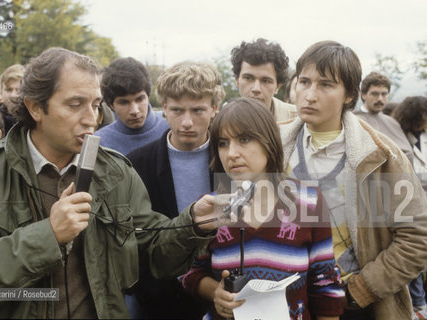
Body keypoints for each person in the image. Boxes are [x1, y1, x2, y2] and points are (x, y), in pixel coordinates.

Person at [0, 47, 224, 319]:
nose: (91, 119)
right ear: (35, 107)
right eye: (75, 105)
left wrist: (193, 224)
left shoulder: (114, 171)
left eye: (96, 105)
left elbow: (154, 253)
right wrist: (47, 236)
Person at [280, 40, 427, 320]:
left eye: (325, 85)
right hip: (284, 302)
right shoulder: (273, 144)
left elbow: (417, 237)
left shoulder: (381, 157)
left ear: (349, 95)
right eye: (304, 81)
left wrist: (360, 290)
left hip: (352, 306)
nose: (309, 95)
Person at [182, 97, 344, 320]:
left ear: (269, 142)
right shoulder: (210, 207)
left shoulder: (309, 202)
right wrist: (216, 293)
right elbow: (189, 272)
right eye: (223, 143)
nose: (231, 153)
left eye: (244, 139)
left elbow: (326, 286)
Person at [127, 61, 225, 319]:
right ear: (163, 109)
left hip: (223, 292)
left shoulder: (232, 160)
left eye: (198, 110)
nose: (187, 122)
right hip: (161, 299)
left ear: (214, 108)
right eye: (178, 110)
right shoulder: (138, 163)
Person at [393, 96, 427, 320]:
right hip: (407, 203)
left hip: (420, 200)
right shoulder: (398, 137)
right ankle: (416, 305)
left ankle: (420, 304)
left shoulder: (421, 137)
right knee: (412, 255)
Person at [95, 57, 169, 155]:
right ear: (110, 105)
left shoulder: (171, 126)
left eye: (139, 99)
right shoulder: (99, 143)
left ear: (147, 96)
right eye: (124, 102)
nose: (134, 111)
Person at [230, 38, 297, 122]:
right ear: (237, 80)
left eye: (266, 81)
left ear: (278, 86)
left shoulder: (299, 120)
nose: (256, 89)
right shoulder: (222, 123)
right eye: (248, 78)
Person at [353, 72, 413, 163]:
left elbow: (408, 153)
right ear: (364, 95)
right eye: (375, 94)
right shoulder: (353, 120)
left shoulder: (392, 122)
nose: (380, 99)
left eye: (384, 94)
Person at [0, 64, 25, 135]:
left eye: (18, 90)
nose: (13, 95)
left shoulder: (36, 120)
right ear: (1, 91)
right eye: (8, 90)